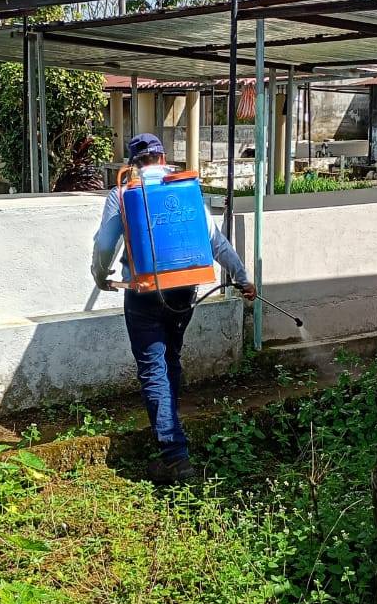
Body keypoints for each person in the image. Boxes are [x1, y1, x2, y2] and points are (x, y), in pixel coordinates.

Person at [92, 133, 256, 484]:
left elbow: (106, 243)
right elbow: (216, 242)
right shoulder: (184, 188)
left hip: (144, 291)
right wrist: (242, 277)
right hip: (184, 291)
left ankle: (174, 456)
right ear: (163, 157)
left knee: (153, 369)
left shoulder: (124, 192)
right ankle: (171, 427)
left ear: (133, 163)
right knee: (170, 359)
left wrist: (100, 275)